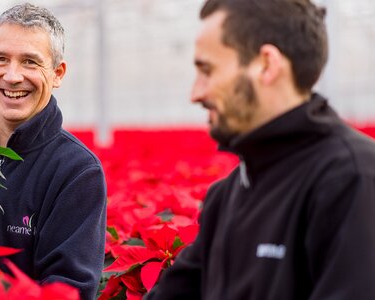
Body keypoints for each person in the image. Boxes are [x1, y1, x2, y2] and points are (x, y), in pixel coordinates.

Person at [147, 0, 375, 299]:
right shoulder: (228, 195)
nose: (196, 93)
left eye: (208, 70)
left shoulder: (351, 180)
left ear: (267, 65)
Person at [0, 3, 107, 300]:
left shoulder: (77, 172)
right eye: (1, 59)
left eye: (30, 62)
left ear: (57, 73)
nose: (12, 76)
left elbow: (69, 290)